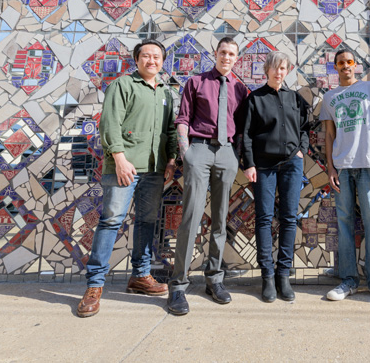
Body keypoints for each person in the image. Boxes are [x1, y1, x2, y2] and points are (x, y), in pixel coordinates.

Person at [77, 39, 177, 318]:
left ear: (162, 61)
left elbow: (170, 129)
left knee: (147, 221)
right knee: (111, 221)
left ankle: (140, 275)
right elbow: (110, 122)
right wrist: (119, 158)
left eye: (157, 56)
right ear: (137, 60)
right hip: (124, 167)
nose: (152, 61)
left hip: (154, 169)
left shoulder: (166, 93)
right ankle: (95, 285)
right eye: (146, 56)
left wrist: (171, 159)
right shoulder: (122, 85)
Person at [167, 37, 248, 316]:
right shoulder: (196, 82)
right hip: (199, 150)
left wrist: (237, 155)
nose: (227, 57)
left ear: (236, 58)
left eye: (232, 54)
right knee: (190, 216)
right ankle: (178, 285)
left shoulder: (240, 88)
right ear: (215, 54)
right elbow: (183, 118)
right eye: (223, 52)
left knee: (221, 217)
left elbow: (242, 128)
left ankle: (214, 279)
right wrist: (186, 152)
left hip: (226, 153)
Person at [319, 49, 370, 304]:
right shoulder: (329, 97)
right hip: (342, 167)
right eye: (340, 63)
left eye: (349, 62)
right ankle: (349, 280)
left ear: (356, 65)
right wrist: (330, 168)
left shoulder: (369, 88)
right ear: (335, 67)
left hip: (367, 165)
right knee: (344, 223)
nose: (345, 66)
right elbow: (329, 136)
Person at [241, 51, 311, 302]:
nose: (278, 72)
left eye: (283, 68)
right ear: (267, 69)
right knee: (264, 218)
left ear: (287, 70)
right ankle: (267, 276)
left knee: (289, 218)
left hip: (292, 164)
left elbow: (305, 126)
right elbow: (246, 134)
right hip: (263, 166)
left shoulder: (295, 98)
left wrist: (302, 150)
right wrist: (248, 163)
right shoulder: (255, 99)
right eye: (274, 67)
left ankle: (283, 275)